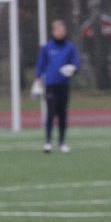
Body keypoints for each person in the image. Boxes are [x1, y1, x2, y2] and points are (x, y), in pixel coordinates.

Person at [32, 19, 80, 153]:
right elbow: (40, 65)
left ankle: (62, 143)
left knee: (63, 114)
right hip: (51, 85)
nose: (61, 32)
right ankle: (47, 142)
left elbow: (76, 64)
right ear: (54, 31)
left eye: (63, 30)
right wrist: (37, 80)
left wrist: (73, 69)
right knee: (51, 113)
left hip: (63, 85)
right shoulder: (47, 48)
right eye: (59, 30)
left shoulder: (70, 47)